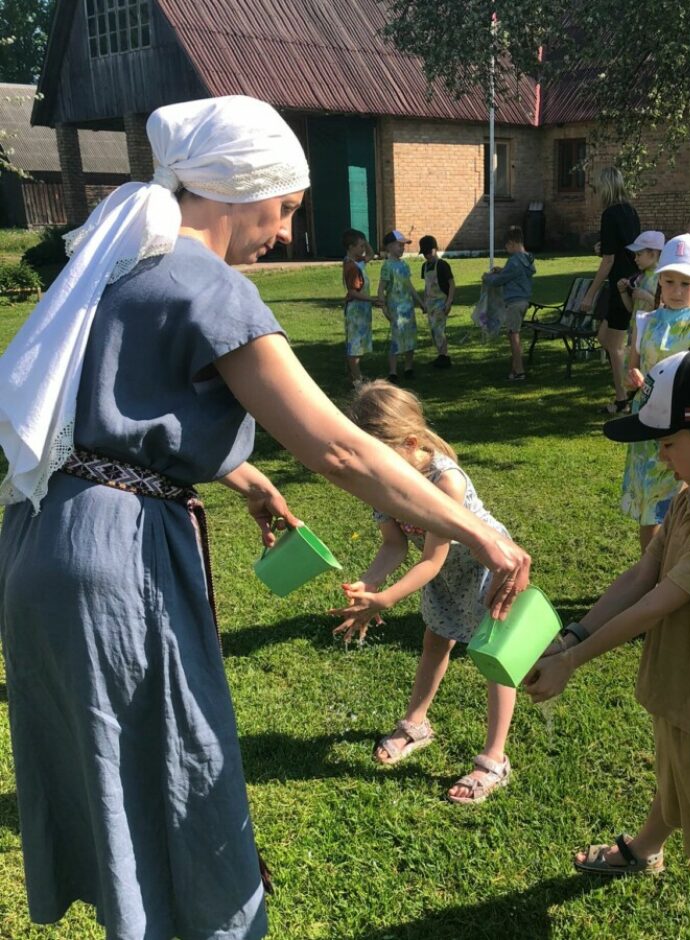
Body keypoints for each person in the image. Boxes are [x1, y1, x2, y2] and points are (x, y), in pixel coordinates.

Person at [0, 95, 530, 940]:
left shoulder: (118, 266)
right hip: (115, 558)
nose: (284, 233)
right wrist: (477, 530)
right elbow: (343, 449)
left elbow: (111, 414)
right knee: (176, 763)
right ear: (240, 190)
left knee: (107, 765)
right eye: (284, 208)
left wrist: (242, 477)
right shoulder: (205, 280)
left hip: (42, 538)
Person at [526, 348, 690, 940]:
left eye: (668, 444)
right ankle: (645, 849)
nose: (661, 456)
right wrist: (571, 634)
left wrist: (571, 662)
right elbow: (640, 576)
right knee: (673, 780)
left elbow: (657, 604)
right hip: (679, 688)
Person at [334, 380, 517, 803]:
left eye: (375, 454)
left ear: (410, 442)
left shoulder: (444, 481)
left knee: (494, 659)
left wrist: (387, 599)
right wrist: (371, 581)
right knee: (435, 643)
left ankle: (494, 757)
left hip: (484, 569)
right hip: (443, 575)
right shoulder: (383, 479)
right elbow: (394, 544)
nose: (369, 466)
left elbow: (432, 559)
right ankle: (416, 724)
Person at [621, 234, 690, 551]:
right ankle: (650, 571)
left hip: (688, 425)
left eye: (686, 284)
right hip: (648, 422)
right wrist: (632, 378)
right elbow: (631, 372)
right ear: (659, 281)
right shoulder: (645, 321)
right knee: (651, 505)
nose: (677, 291)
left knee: (683, 498)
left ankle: (680, 570)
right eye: (670, 282)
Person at [579, 166, 641, 413]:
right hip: (629, 281)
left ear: (605, 188)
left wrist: (589, 294)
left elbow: (609, 260)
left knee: (614, 345)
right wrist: (603, 246)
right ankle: (629, 388)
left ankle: (623, 400)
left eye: (596, 188)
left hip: (620, 286)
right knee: (604, 338)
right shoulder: (630, 211)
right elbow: (622, 246)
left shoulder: (610, 213)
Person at [481, 225, 536, 381]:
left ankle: (519, 371)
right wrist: (503, 270)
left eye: (506, 246)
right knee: (513, 333)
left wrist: (487, 277)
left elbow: (500, 281)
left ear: (512, 243)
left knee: (514, 335)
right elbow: (513, 274)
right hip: (524, 301)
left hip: (514, 302)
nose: (506, 249)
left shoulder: (514, 261)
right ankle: (514, 369)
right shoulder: (527, 258)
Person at [378, 229, 425, 382]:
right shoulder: (387, 266)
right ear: (389, 247)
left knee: (410, 338)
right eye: (399, 245)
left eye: (403, 246)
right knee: (396, 339)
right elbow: (381, 289)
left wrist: (420, 302)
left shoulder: (404, 265)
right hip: (395, 309)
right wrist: (384, 308)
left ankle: (408, 367)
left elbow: (409, 286)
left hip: (408, 308)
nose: (402, 248)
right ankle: (393, 372)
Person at [341, 228, 383, 385]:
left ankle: (354, 374)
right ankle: (357, 379)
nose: (363, 249)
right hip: (356, 311)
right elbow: (353, 292)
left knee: (359, 344)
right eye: (360, 246)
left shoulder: (358, 260)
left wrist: (366, 242)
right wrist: (372, 299)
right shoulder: (351, 267)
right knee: (355, 345)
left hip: (362, 310)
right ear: (351, 247)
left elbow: (371, 255)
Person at [418, 234, 455, 369]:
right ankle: (440, 355)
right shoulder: (425, 267)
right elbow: (427, 286)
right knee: (433, 330)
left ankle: (444, 356)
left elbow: (451, 284)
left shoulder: (443, 265)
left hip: (441, 302)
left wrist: (449, 302)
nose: (427, 256)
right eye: (424, 253)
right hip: (430, 303)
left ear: (435, 249)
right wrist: (424, 302)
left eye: (429, 252)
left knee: (439, 330)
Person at [616, 230, 664, 315]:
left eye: (639, 254)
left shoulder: (663, 279)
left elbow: (664, 310)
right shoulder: (640, 278)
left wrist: (645, 296)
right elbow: (632, 309)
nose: (635, 259)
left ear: (652, 254)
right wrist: (623, 291)